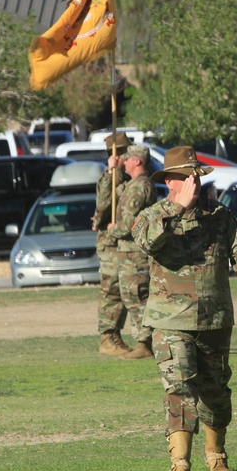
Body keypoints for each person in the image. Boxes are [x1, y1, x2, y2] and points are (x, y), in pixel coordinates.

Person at [131, 146, 237, 471]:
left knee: (216, 393)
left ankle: (216, 455)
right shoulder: (153, 215)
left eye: (196, 176)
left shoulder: (218, 215)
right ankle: (180, 463)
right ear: (171, 181)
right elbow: (146, 242)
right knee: (179, 388)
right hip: (170, 320)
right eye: (186, 177)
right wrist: (178, 209)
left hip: (214, 319)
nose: (194, 182)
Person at [108, 145, 158, 359]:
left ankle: (144, 342)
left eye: (127, 160)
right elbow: (114, 191)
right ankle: (144, 340)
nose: (124, 162)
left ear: (137, 161)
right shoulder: (135, 185)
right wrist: (113, 171)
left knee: (137, 297)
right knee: (132, 297)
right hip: (129, 254)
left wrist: (113, 230)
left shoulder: (139, 188)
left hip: (134, 254)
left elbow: (129, 224)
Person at [93, 132, 131, 357]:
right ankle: (107, 337)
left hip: (122, 242)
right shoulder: (109, 178)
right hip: (110, 244)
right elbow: (103, 205)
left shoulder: (125, 178)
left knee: (122, 290)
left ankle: (115, 334)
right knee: (111, 290)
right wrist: (111, 172)